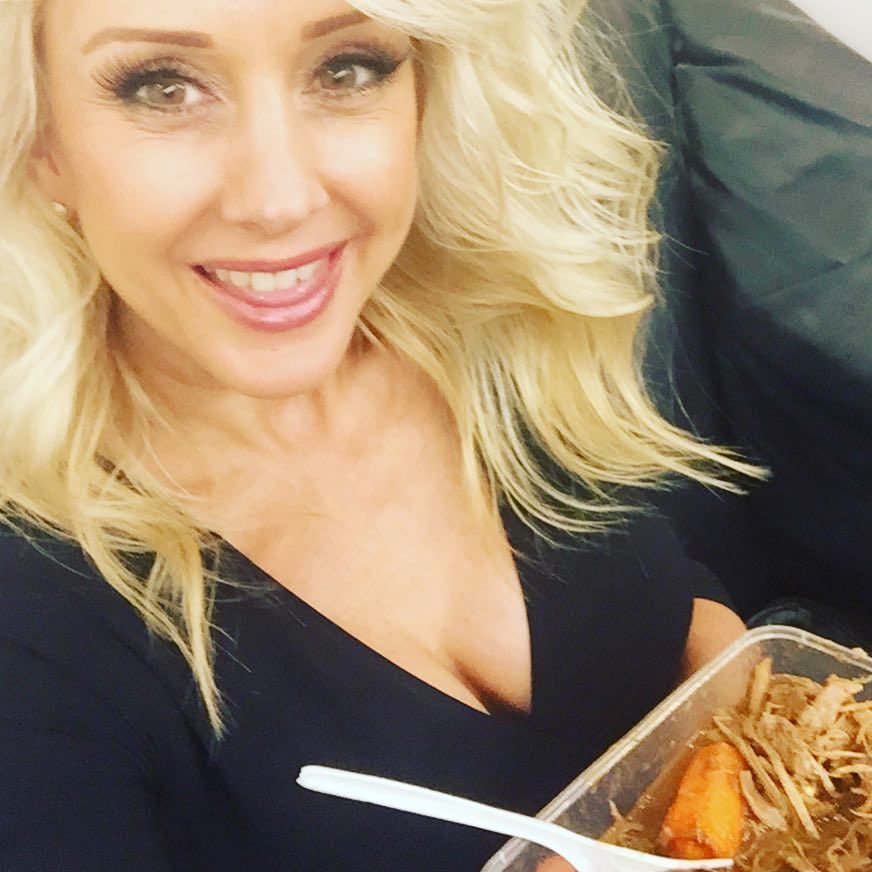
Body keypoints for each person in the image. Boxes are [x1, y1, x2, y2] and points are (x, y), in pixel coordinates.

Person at [0, 0, 754, 869]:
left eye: (346, 68)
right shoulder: (31, 626)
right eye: (162, 87)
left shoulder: (488, 335)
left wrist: (750, 723)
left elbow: (677, 610)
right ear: (43, 142)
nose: (280, 198)